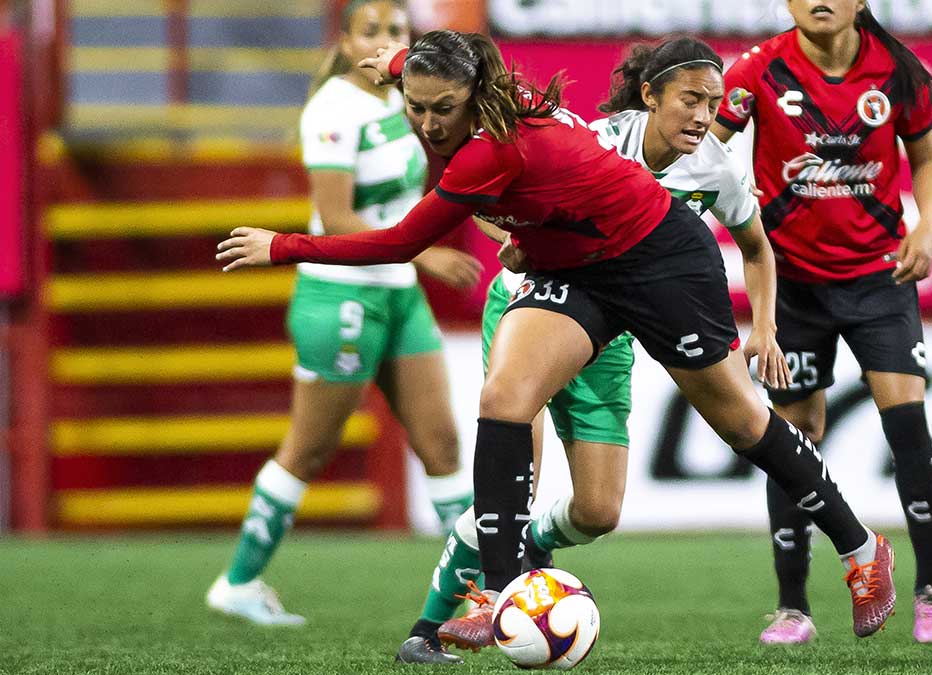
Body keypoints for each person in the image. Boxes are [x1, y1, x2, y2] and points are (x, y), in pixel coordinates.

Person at [217, 28, 897, 650]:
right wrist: (396, 63)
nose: (427, 123)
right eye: (416, 105)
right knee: (505, 395)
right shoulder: (469, 91)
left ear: (473, 99)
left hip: (661, 258)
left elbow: (401, 241)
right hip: (577, 268)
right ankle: (508, 588)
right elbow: (434, 71)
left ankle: (862, 550)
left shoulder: (489, 149)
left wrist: (282, 244)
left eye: (441, 109)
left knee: (744, 422)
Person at [391, 36, 792, 663]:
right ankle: (430, 626)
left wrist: (762, 328)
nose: (702, 115)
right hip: (534, 305)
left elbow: (756, 247)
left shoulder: (717, 168)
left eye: (712, 103)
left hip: (611, 331)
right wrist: (524, 238)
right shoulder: (599, 139)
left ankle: (533, 551)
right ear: (651, 96)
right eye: (691, 99)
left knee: (600, 511)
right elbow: (498, 200)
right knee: (508, 480)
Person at [205, 0, 481, 627]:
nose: (385, 41)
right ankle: (238, 581)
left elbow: (418, 197)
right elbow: (336, 221)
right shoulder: (332, 107)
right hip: (341, 295)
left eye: (396, 31)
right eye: (372, 31)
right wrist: (428, 254)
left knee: (441, 444)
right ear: (347, 39)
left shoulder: (401, 99)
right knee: (308, 449)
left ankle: (475, 594)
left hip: (397, 291)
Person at [712, 0, 932, 644]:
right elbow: (704, 149)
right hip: (791, 283)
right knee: (795, 435)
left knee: (907, 423)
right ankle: (794, 606)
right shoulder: (756, 71)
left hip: (881, 279)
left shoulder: (898, 71)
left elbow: (927, 159)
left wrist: (927, 227)